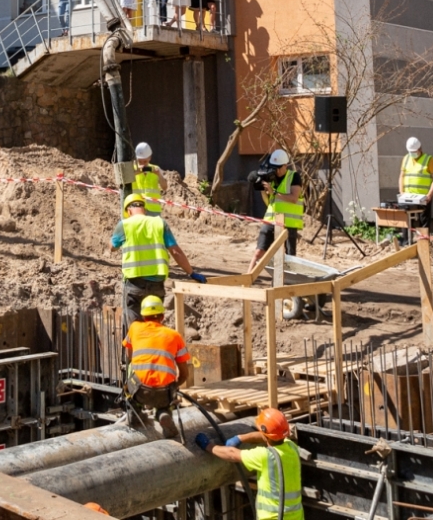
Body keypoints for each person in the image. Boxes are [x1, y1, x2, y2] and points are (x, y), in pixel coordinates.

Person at [112, 192, 204, 326]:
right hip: (157, 283)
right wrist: (191, 273)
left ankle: (137, 346)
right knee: (155, 325)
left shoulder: (124, 225)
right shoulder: (159, 223)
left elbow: (112, 247)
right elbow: (175, 251)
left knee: (135, 329)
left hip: (134, 284)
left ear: (128, 211)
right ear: (144, 208)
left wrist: (116, 240)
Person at [197, 409, 303, 520]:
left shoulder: (265, 456)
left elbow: (232, 454)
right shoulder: (292, 447)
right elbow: (267, 436)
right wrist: (241, 438)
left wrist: (208, 446)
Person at [121, 294, 190, 438]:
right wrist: (174, 388)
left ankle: (134, 410)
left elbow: (129, 355)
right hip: (163, 393)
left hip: (139, 391)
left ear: (143, 316)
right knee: (165, 396)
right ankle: (163, 412)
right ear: (163, 316)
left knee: (129, 367)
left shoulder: (134, 328)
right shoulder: (174, 335)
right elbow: (184, 373)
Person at [248, 149, 304, 271]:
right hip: (271, 220)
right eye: (274, 167)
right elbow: (269, 202)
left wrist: (274, 192)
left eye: (278, 167)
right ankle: (247, 278)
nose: (276, 170)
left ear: (285, 165)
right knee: (259, 251)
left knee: (289, 257)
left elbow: (294, 198)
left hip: (289, 223)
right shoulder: (271, 178)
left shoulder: (294, 177)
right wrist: (263, 190)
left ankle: (288, 285)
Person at [398, 136, 433, 240]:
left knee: (423, 221)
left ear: (420, 149)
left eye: (414, 151)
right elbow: (401, 176)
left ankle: (423, 244)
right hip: (407, 196)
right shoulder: (406, 158)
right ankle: (406, 241)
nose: (412, 153)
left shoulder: (429, 159)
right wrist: (401, 191)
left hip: (423, 197)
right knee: (406, 219)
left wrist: (429, 195)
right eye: (410, 151)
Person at [131, 142, 164, 216]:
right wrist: (136, 172)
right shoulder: (132, 169)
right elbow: (123, 182)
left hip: (153, 210)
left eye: (145, 161)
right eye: (140, 161)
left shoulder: (156, 169)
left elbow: (165, 187)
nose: (142, 164)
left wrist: (159, 175)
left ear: (150, 158)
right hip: (137, 209)